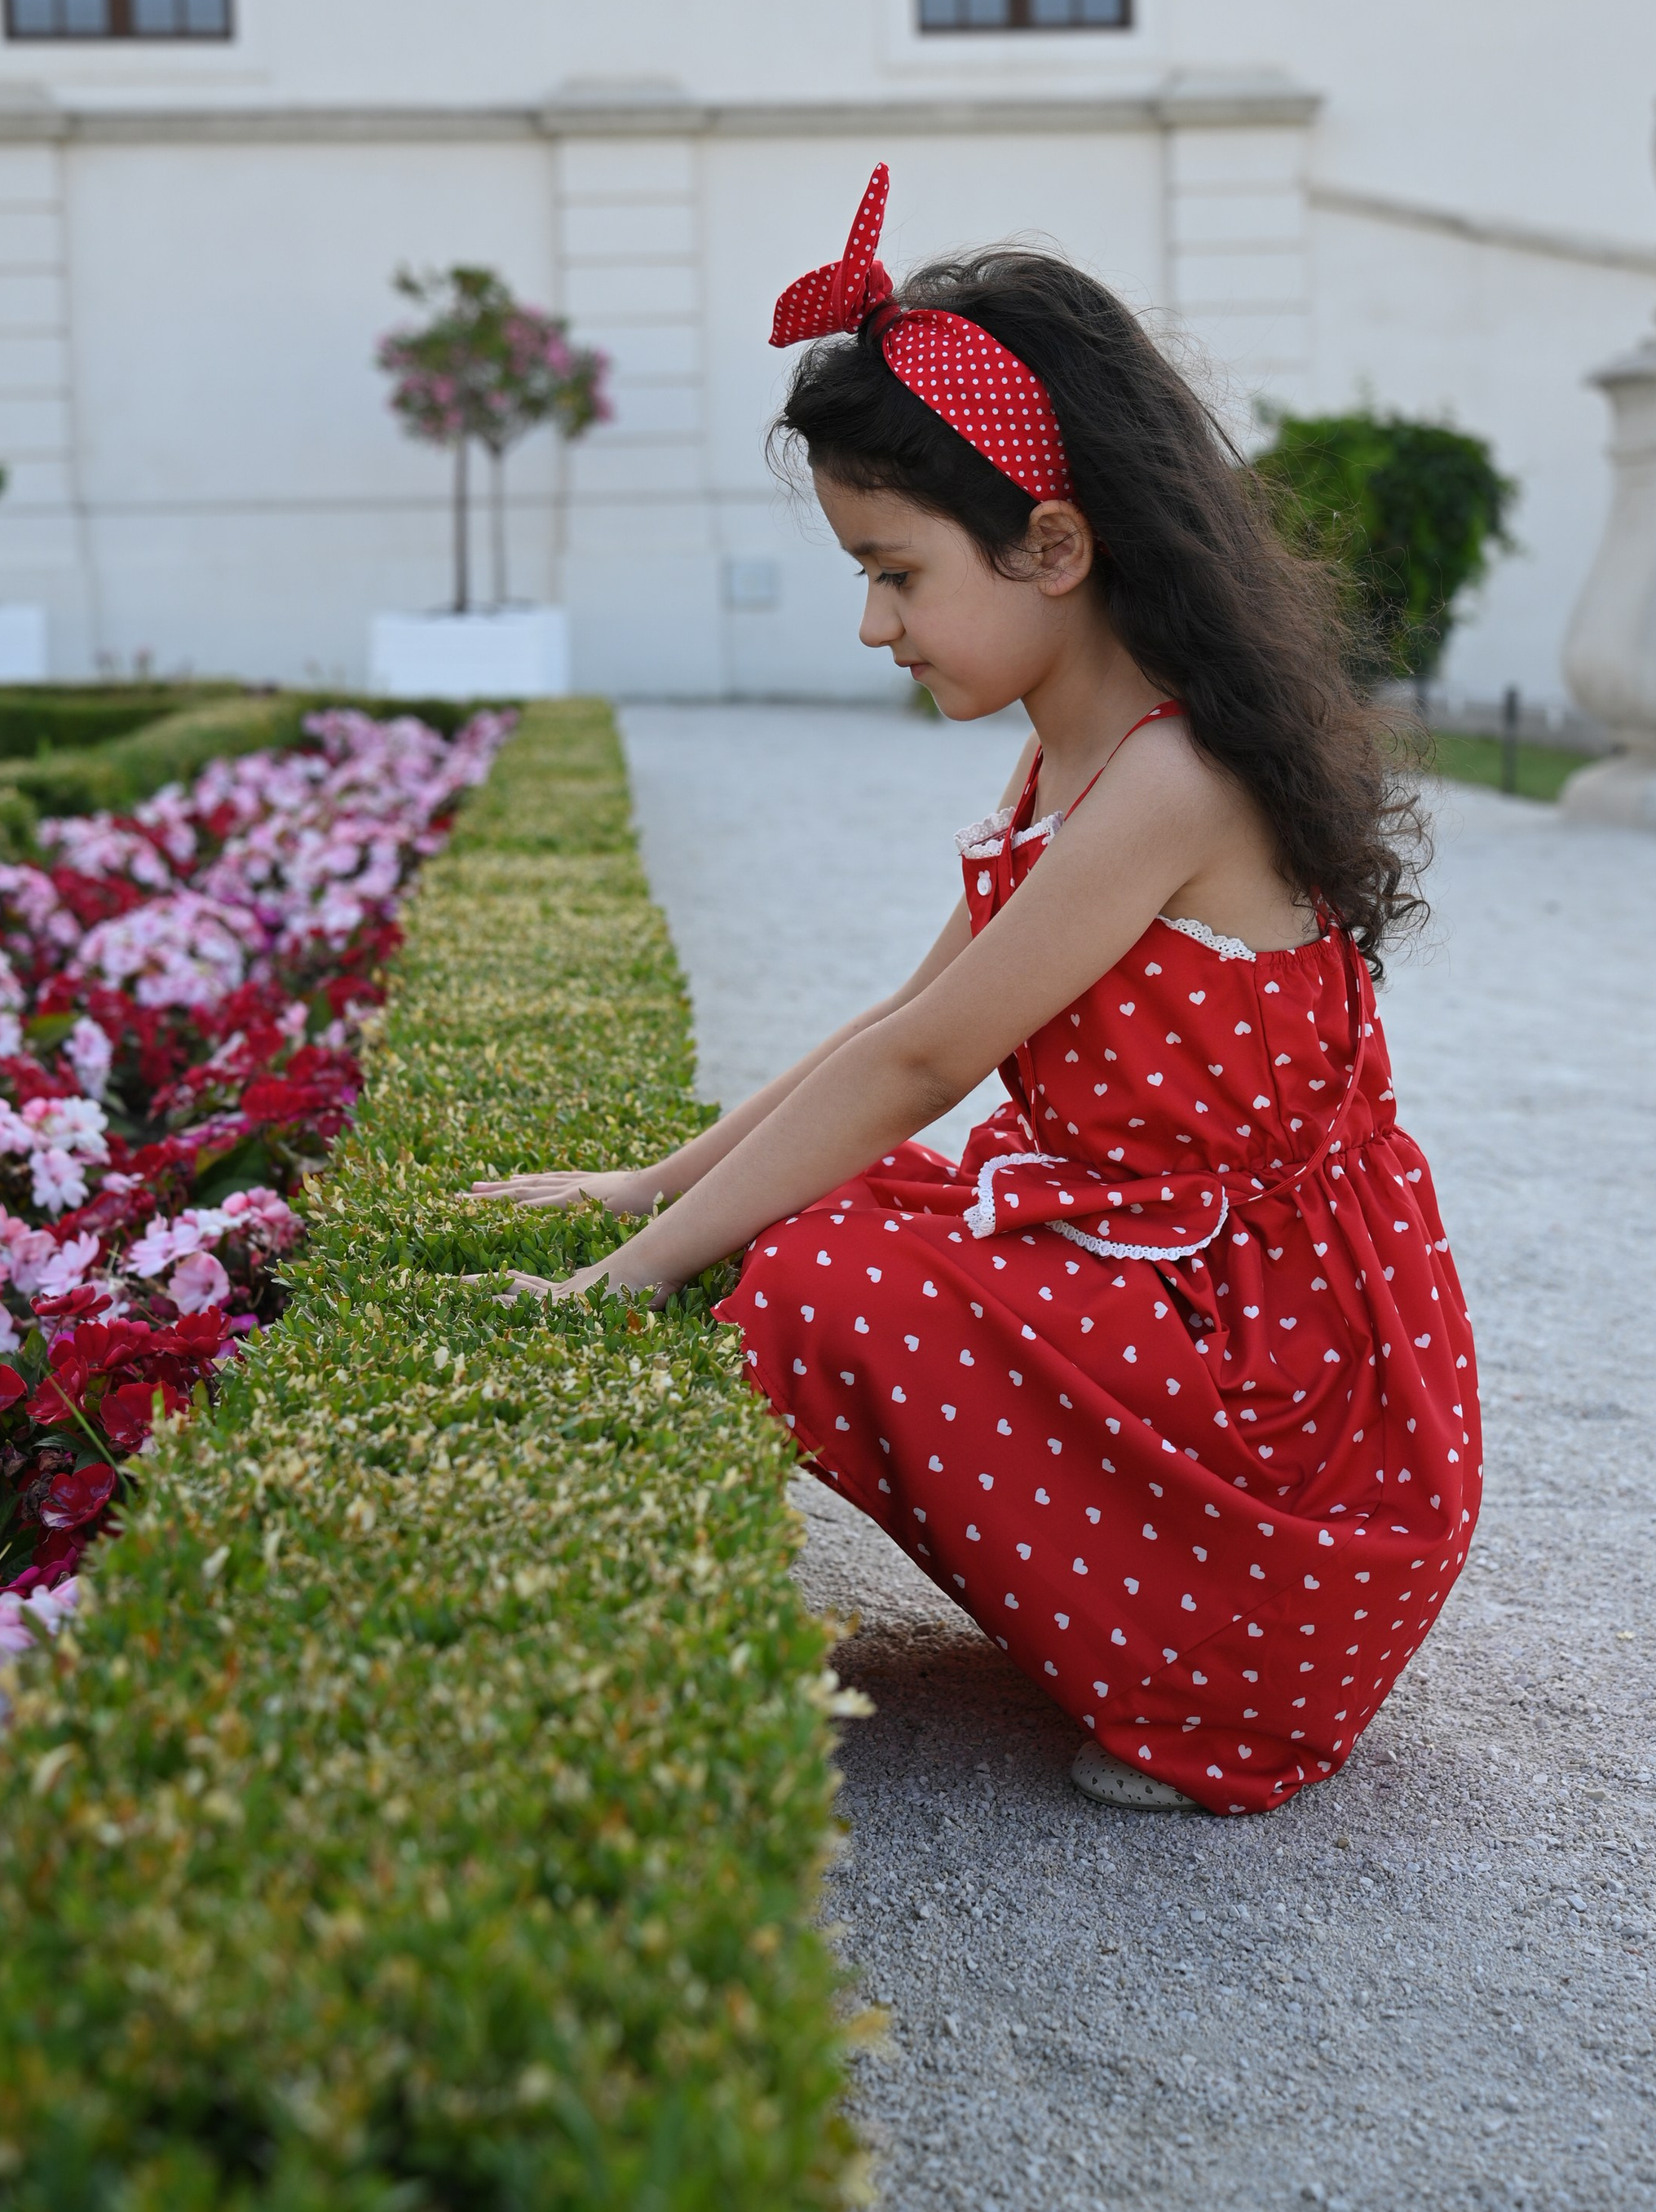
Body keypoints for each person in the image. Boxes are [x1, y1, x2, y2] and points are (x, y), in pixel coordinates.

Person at [479, 167, 1481, 1817]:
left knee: (806, 1277)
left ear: (1051, 543)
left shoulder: (1170, 779)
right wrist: (650, 1184)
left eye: (893, 573)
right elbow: (894, 1033)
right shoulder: (1064, 759)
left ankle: (1206, 1680)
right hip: (1183, 1306)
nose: (874, 625)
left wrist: (633, 1270)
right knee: (818, 1202)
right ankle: (1139, 1610)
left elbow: (929, 1058)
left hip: (1289, 1431)